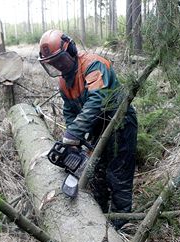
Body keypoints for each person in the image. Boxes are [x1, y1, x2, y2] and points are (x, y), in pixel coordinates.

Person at [38, 29, 137, 230]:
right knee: (97, 172)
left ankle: (122, 223)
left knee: (118, 174)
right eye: (54, 63)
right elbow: (69, 111)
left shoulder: (93, 65)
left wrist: (73, 133)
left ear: (71, 50)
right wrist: (72, 141)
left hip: (119, 124)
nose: (59, 66)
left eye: (61, 61)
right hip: (96, 127)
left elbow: (97, 100)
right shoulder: (64, 82)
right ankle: (99, 215)